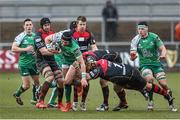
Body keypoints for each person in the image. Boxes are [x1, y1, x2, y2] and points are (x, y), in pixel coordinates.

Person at [65, 58, 177, 112]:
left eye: (88, 65)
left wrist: (74, 78)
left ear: (91, 65)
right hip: (128, 70)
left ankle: (166, 95)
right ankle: (123, 103)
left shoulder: (97, 70)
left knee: (147, 86)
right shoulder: (102, 61)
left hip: (129, 76)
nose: (88, 67)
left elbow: (86, 79)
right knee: (116, 87)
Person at [130, 21, 177, 111]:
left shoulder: (154, 37)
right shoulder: (135, 40)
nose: (140, 31)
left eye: (142, 29)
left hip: (156, 64)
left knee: (163, 84)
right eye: (139, 29)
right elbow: (132, 55)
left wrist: (163, 54)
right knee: (149, 80)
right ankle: (151, 102)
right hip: (144, 65)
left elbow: (162, 48)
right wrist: (132, 57)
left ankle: (170, 100)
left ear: (147, 28)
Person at [45, 31, 88, 112]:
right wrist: (49, 47)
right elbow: (47, 39)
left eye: (65, 42)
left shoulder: (75, 48)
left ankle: (80, 83)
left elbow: (82, 63)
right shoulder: (59, 38)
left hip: (74, 63)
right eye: (62, 41)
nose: (63, 43)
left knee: (66, 81)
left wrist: (83, 78)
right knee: (67, 83)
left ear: (70, 41)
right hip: (65, 62)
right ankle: (68, 103)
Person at [34, 17, 64, 109]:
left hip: (51, 60)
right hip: (41, 60)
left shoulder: (52, 33)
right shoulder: (38, 36)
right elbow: (43, 52)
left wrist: (58, 48)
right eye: (45, 25)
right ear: (42, 26)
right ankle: (40, 101)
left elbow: (59, 45)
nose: (47, 27)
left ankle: (59, 103)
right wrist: (57, 51)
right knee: (50, 77)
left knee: (60, 80)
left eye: (48, 25)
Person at [71, 16, 98, 111]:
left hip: (85, 61)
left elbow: (94, 47)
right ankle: (74, 102)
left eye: (84, 24)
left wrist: (95, 56)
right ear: (77, 25)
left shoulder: (89, 33)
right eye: (80, 24)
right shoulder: (72, 34)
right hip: (75, 60)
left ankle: (82, 102)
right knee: (76, 81)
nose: (82, 26)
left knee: (86, 80)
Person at [11, 18, 40, 105]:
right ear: (24, 26)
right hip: (24, 64)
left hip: (34, 64)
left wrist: (36, 54)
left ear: (32, 26)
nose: (28, 26)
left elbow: (38, 49)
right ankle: (17, 94)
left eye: (30, 25)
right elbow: (13, 48)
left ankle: (34, 99)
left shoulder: (35, 36)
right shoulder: (20, 36)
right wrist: (25, 49)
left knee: (37, 83)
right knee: (27, 85)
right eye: (27, 25)